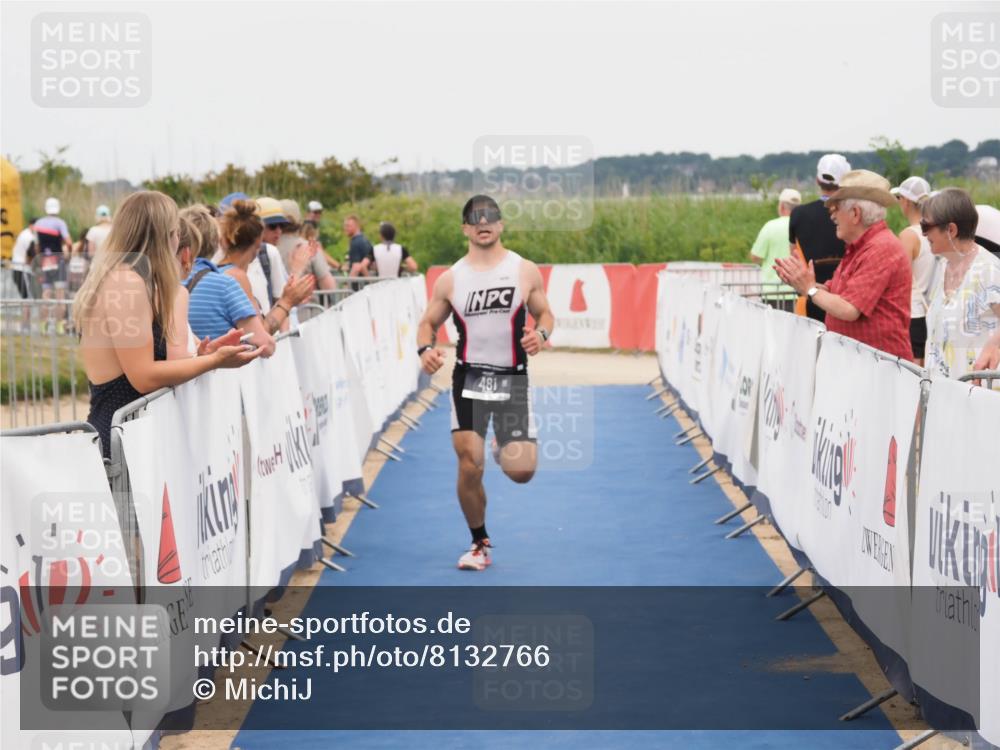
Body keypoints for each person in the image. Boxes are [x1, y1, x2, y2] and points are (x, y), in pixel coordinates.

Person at [417, 195, 555, 571]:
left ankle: (501, 446)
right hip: (470, 377)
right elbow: (427, 323)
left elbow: (545, 313)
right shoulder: (451, 279)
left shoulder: (523, 270)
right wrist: (424, 349)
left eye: (490, 216)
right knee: (469, 465)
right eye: (475, 218)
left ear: (500, 224)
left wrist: (540, 335)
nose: (483, 222)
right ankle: (479, 543)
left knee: (521, 471)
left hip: (511, 377)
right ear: (465, 228)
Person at [73, 191, 260, 458]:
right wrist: (215, 360)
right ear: (163, 237)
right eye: (175, 233)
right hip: (120, 439)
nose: (177, 242)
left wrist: (202, 356)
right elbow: (143, 376)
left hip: (130, 434)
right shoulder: (126, 282)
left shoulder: (128, 279)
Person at [775, 170, 913, 360]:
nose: (832, 217)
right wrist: (803, 282)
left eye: (835, 209)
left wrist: (810, 289)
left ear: (855, 214)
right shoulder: (860, 247)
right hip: (865, 365)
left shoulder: (881, 248)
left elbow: (849, 308)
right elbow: (837, 293)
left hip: (879, 371)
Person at [921, 188, 1000, 386]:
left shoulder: (988, 270)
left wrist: (995, 343)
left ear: (951, 230)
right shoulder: (941, 267)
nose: (923, 234)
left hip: (979, 397)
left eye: (926, 226)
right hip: (943, 395)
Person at [183, 202, 276, 356]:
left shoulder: (162, 286)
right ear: (216, 242)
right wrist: (286, 303)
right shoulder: (226, 285)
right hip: (225, 376)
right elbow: (264, 344)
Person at [215, 199, 314, 337]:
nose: (279, 231)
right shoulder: (237, 275)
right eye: (272, 226)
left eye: (282, 226)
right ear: (258, 236)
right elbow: (259, 337)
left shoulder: (269, 253)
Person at [789, 154, 851, 321]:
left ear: (817, 180)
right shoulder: (852, 214)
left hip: (809, 296)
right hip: (846, 299)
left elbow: (794, 256)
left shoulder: (799, 214)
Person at [891, 176, 936, 365]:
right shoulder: (937, 231)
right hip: (934, 309)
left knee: (914, 372)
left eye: (899, 198)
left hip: (914, 312)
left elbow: (900, 279)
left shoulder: (908, 235)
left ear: (907, 201)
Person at [749, 188, 800, 311]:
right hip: (798, 290)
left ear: (782, 206)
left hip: (772, 291)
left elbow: (756, 257)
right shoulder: (803, 226)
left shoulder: (770, 226)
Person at [277, 199, 336, 290]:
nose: (317, 215)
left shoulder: (263, 248)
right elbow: (329, 286)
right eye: (315, 212)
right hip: (307, 302)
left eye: (319, 212)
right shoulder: (308, 247)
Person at [34, 197, 73, 333]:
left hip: (45, 261)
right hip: (59, 261)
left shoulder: (39, 223)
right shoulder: (60, 223)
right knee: (60, 295)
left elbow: (37, 246)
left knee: (46, 294)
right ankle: (60, 326)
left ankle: (42, 326)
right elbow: (69, 242)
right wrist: (68, 254)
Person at [10, 218, 37, 301]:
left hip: (17, 267)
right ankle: (26, 314)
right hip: (22, 269)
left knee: (25, 297)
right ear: (31, 225)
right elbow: (30, 255)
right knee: (27, 298)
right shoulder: (29, 237)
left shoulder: (25, 233)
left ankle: (26, 314)